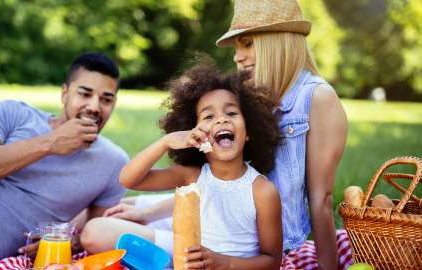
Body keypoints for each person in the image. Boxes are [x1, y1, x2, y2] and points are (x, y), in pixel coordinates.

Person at [100, 0, 351, 269]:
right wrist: (149, 211)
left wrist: (328, 267)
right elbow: (218, 183)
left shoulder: (317, 98)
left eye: (247, 43)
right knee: (116, 208)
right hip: (212, 212)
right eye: (237, 48)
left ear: (278, 40)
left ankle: (169, 255)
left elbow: (320, 199)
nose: (236, 57)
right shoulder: (252, 91)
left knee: (101, 232)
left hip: (246, 239)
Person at [81, 63, 283, 269]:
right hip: (185, 251)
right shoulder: (192, 175)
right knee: (94, 230)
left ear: (249, 131)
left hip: (233, 265)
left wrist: (226, 263)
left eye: (231, 113)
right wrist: (165, 142)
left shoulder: (262, 191)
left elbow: (272, 261)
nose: (221, 119)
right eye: (208, 116)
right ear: (195, 132)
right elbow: (128, 179)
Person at [0, 52, 128, 269]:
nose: (95, 106)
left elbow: (94, 232)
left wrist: (72, 242)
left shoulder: (114, 163)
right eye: (85, 94)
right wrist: (49, 143)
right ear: (65, 93)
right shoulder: (14, 113)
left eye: (106, 99)